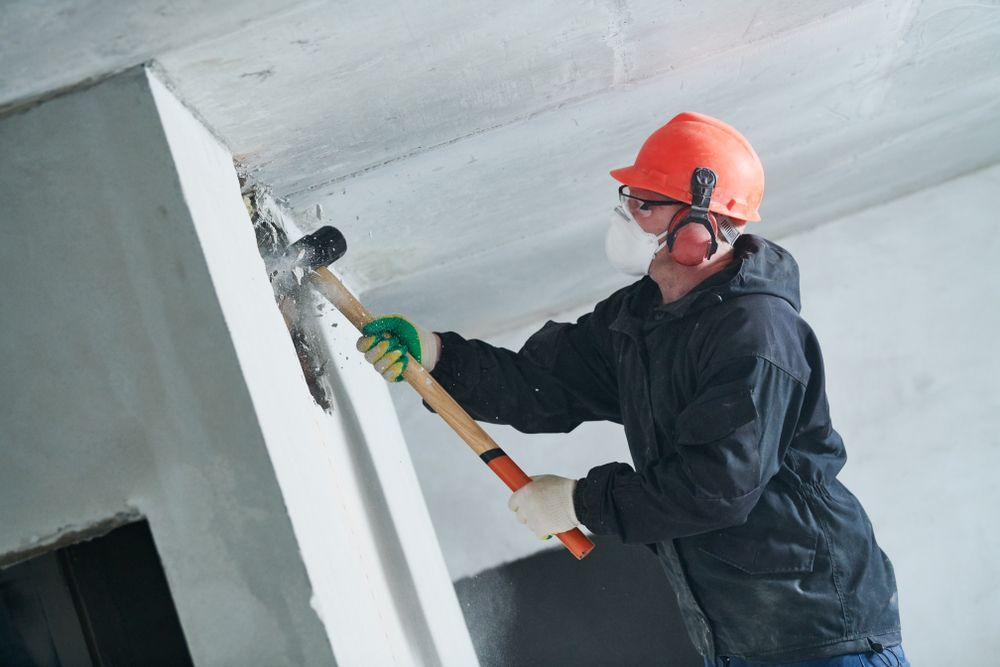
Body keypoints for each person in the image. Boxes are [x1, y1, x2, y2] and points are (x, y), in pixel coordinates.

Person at [357, 112, 906, 666]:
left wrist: (579, 500)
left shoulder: (755, 334)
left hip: (822, 632)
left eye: (643, 205)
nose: (626, 216)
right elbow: (541, 386)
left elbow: (718, 485)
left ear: (701, 228)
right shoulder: (641, 316)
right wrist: (435, 354)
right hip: (741, 638)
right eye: (629, 199)